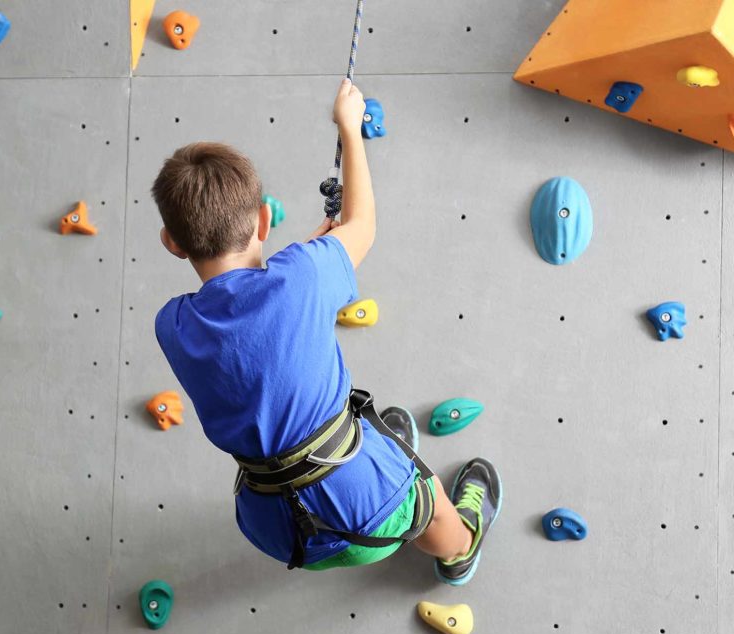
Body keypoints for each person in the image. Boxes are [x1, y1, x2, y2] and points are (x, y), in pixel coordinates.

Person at [151, 79, 502, 582]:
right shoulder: (303, 275)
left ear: (172, 243)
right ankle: (459, 549)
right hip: (366, 510)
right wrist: (350, 129)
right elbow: (362, 225)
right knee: (432, 504)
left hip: (275, 528)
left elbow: (250, 324)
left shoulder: (172, 324)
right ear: (264, 220)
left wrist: (307, 262)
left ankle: (375, 448)